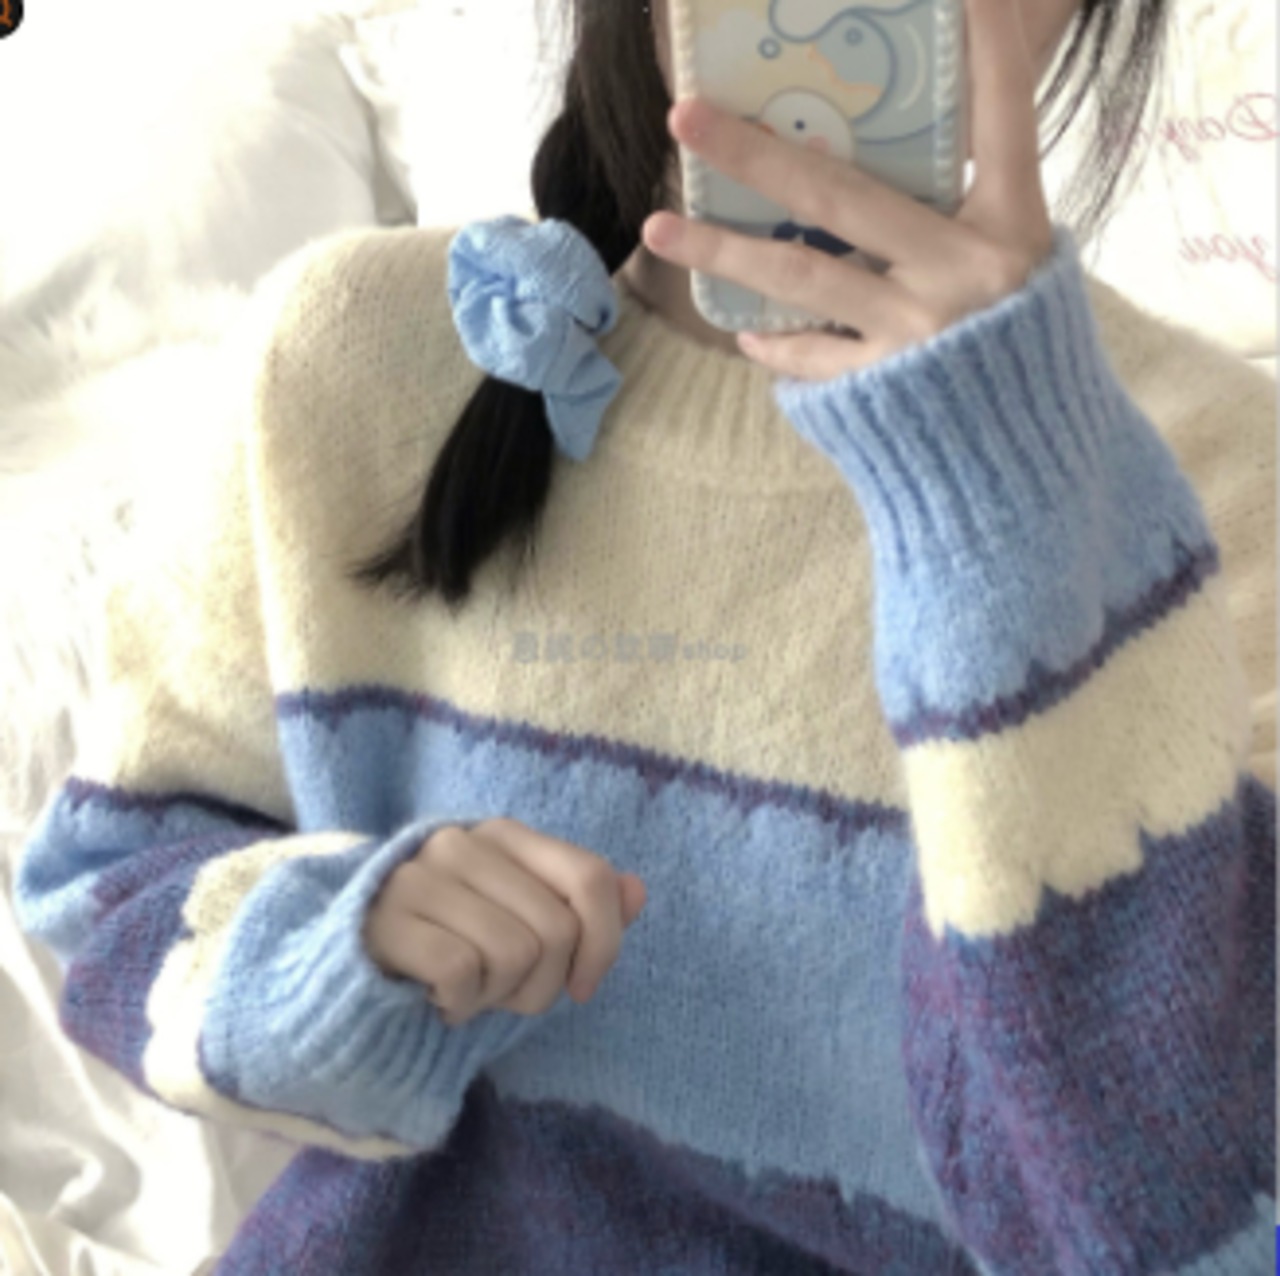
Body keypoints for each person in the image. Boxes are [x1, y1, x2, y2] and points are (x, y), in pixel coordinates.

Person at [13, 0, 1276, 1270]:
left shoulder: (1221, 476)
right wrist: (340, 949)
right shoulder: (356, 350)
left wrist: (1003, 508)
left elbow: (1191, 1220)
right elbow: (108, 891)